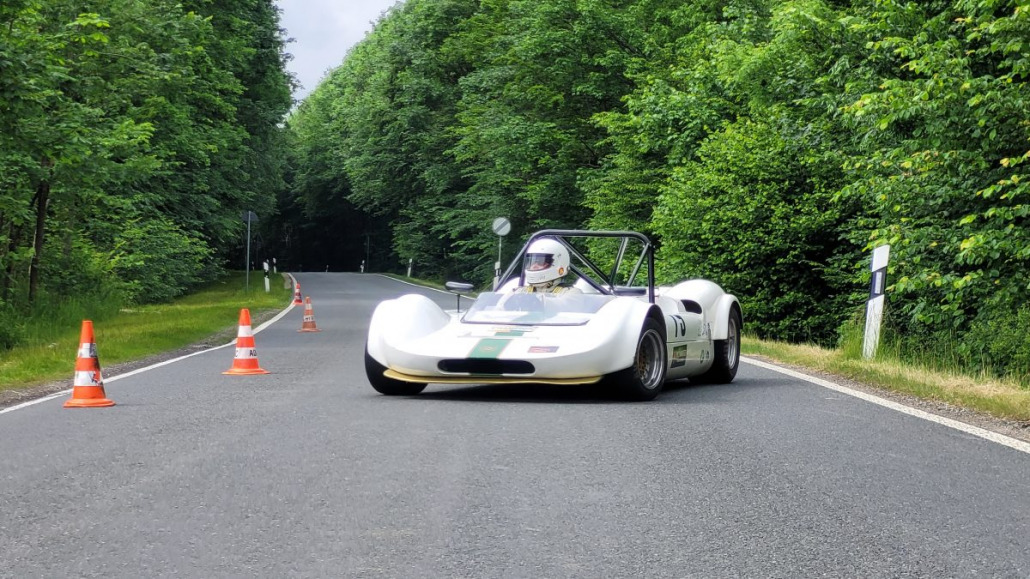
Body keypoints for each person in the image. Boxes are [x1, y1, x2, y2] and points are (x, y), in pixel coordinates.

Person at [515, 237, 580, 295]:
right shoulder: (521, 292)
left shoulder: (571, 293)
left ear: (559, 264)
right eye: (531, 262)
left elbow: (562, 304)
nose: (534, 266)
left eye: (540, 262)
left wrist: (536, 301)